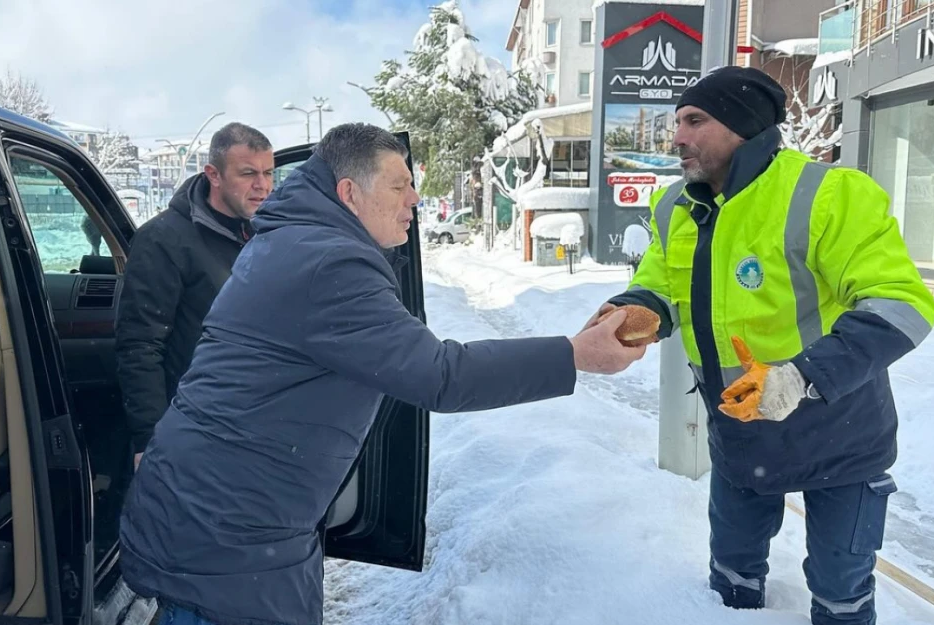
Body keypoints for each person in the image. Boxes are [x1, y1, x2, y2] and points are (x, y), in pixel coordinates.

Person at [118, 122, 646, 625]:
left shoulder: (293, 241)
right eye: (400, 185)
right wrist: (573, 355)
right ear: (349, 193)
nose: (415, 198)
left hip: (213, 513)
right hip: (228, 536)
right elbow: (442, 375)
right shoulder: (328, 264)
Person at [588, 67, 934, 625]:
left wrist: (799, 376)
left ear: (744, 126)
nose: (677, 136)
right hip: (739, 435)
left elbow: (900, 304)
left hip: (839, 437)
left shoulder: (828, 193)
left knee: (840, 591)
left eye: (695, 120)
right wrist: (642, 309)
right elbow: (662, 279)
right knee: (730, 579)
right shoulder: (677, 204)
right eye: (677, 121)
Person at [115, 122, 275, 469]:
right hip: (194, 428)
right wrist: (150, 439)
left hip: (254, 423)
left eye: (268, 172)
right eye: (248, 173)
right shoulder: (163, 240)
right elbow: (140, 345)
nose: (262, 185)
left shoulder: (266, 235)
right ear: (213, 175)